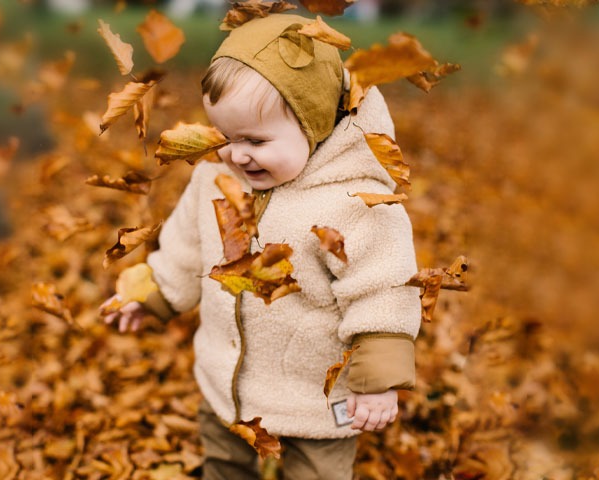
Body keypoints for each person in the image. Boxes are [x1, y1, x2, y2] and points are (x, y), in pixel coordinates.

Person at [102, 13, 421, 480]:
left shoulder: (353, 202)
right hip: (226, 385)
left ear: (313, 125)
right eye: (227, 138)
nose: (238, 154)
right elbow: (185, 249)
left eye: (257, 140)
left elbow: (384, 289)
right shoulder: (214, 180)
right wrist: (153, 296)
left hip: (314, 398)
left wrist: (378, 380)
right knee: (224, 465)